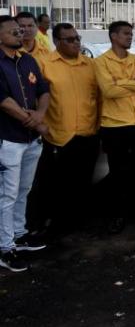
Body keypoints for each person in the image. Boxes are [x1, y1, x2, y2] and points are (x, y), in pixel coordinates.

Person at [34, 23, 100, 237]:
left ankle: (77, 223)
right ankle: (53, 226)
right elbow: (35, 97)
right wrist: (39, 125)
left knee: (83, 182)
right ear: (56, 41)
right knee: (56, 186)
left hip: (88, 134)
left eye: (77, 38)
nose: (76, 43)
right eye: (69, 39)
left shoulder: (91, 65)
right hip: (59, 137)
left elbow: (99, 98)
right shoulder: (43, 64)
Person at [94, 21, 135, 234]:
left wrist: (120, 82)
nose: (130, 37)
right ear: (113, 36)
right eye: (126, 34)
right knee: (117, 173)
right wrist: (132, 83)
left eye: (131, 34)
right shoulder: (101, 62)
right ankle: (118, 215)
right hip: (114, 125)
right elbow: (108, 91)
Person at [0, 16, 50, 273]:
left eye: (20, 30)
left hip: (31, 139)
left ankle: (19, 235)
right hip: (8, 139)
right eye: (13, 31)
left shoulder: (27, 60)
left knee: (23, 189)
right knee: (6, 194)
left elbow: (43, 89)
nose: (20, 34)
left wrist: (40, 114)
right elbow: (4, 100)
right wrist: (33, 121)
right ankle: (5, 247)